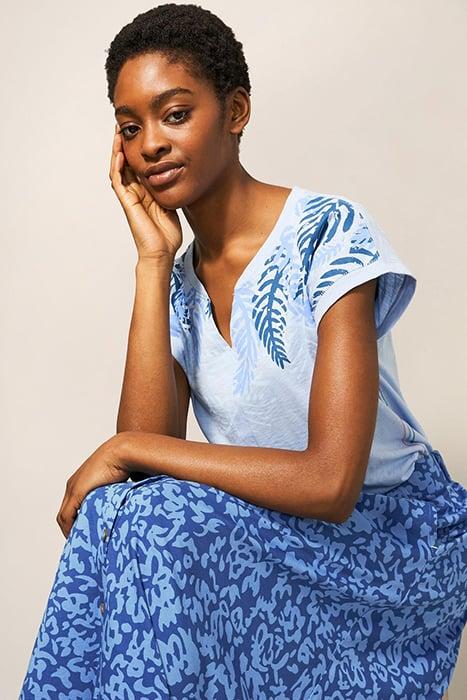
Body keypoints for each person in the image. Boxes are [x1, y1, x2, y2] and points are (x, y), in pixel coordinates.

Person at [19, 4, 465, 699]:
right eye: (129, 127)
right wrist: (152, 263)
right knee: (116, 515)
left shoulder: (328, 233)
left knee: (153, 520)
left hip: (386, 548)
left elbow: (330, 485)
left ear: (235, 111)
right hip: (275, 534)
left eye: (174, 114)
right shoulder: (177, 282)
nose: (150, 145)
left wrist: (126, 447)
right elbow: (137, 471)